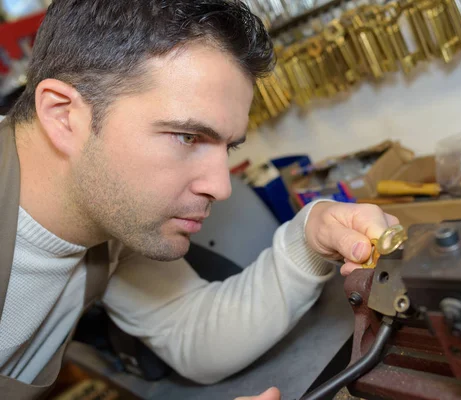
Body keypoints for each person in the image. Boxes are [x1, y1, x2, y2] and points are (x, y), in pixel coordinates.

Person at [0, 1, 399, 399]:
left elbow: (189, 331)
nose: (221, 188)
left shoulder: (109, 219)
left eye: (227, 147)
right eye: (188, 137)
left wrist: (308, 241)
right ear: (62, 115)